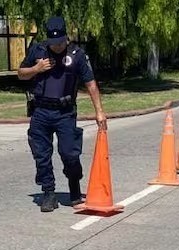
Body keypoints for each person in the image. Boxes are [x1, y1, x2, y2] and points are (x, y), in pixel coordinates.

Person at [17, 16, 107, 212]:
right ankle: (48, 193)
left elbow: (90, 83)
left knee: (69, 154)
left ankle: (74, 184)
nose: (56, 46)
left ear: (66, 37)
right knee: (41, 155)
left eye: (59, 42)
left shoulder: (77, 55)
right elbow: (21, 73)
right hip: (40, 110)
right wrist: (36, 68)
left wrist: (99, 111)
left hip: (65, 112)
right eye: (52, 43)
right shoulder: (38, 51)